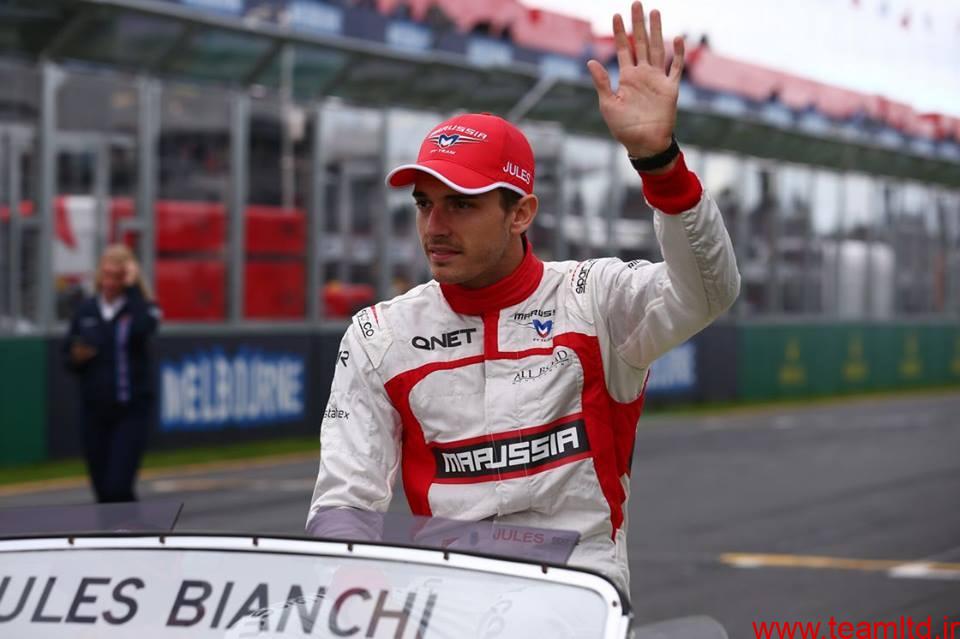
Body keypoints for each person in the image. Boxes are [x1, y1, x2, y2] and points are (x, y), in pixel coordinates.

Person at [307, 1, 740, 596]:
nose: (435, 226)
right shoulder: (379, 335)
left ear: (521, 213)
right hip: (447, 607)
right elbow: (345, 502)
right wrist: (350, 596)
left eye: (461, 204)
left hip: (577, 605)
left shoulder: (593, 299)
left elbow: (709, 291)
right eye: (424, 204)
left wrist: (659, 164)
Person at [63, 244, 161, 503]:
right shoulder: (86, 310)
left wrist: (133, 288)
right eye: (106, 275)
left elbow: (144, 329)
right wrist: (76, 357)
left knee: (118, 486)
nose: (109, 283)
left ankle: (129, 526)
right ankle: (124, 527)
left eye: (117, 277)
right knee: (103, 492)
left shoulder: (141, 308)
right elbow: (67, 356)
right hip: (94, 412)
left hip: (131, 411)